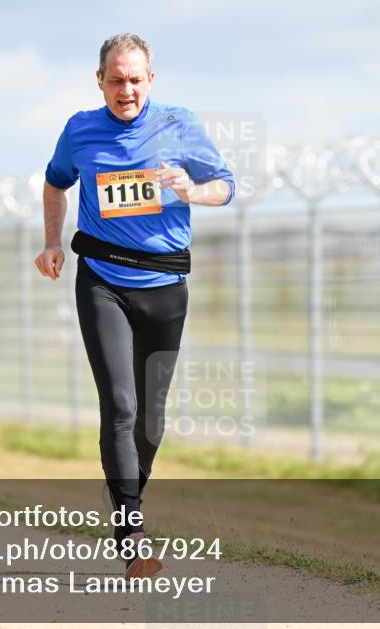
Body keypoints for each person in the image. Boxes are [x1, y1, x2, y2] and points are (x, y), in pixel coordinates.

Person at [35, 33, 235, 580]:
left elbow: (226, 185)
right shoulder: (80, 130)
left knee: (150, 418)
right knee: (120, 407)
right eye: (116, 79)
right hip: (102, 281)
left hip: (166, 286)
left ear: (151, 80)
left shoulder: (178, 123)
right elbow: (55, 186)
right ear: (99, 80)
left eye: (135, 79)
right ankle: (132, 533)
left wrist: (192, 191)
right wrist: (53, 242)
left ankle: (125, 490)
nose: (126, 90)